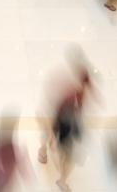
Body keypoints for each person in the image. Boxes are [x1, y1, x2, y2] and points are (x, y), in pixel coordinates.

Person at [39, 63, 94, 192]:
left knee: (49, 137)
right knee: (69, 156)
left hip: (62, 122)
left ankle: (42, 152)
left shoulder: (71, 91)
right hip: (64, 125)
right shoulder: (72, 95)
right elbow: (59, 115)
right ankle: (62, 181)